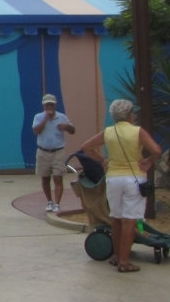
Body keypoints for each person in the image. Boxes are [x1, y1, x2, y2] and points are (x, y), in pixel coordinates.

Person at [80, 99, 162, 273]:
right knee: (129, 220)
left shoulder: (108, 132)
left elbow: (86, 147)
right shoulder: (138, 131)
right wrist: (148, 161)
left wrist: (103, 160)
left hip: (113, 179)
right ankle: (125, 262)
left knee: (116, 218)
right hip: (133, 179)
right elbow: (156, 150)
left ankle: (116, 255)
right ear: (130, 114)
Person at [32, 94, 75, 213]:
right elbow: (36, 131)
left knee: (58, 178)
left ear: (55, 105)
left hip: (58, 151)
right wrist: (46, 119)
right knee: (45, 178)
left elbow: (72, 131)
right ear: (43, 106)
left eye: (51, 104)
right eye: (47, 105)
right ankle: (49, 201)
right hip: (43, 151)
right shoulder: (38, 117)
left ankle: (57, 203)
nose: (49, 107)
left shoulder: (62, 117)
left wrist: (67, 126)